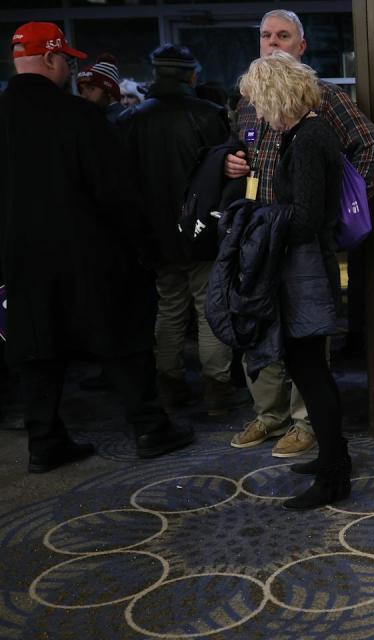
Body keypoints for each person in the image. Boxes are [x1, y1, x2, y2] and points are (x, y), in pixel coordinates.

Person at [0, 22, 193, 472]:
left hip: (20, 256)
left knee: (35, 349)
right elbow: (116, 193)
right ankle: (151, 428)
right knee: (120, 338)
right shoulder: (79, 117)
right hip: (88, 253)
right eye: (67, 59)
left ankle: (44, 443)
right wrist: (142, 246)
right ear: (50, 59)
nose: (70, 67)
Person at [224, 9, 374, 458]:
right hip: (258, 238)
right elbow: (240, 153)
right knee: (260, 326)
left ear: (302, 45)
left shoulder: (320, 98)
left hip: (301, 239)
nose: (273, 42)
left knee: (304, 334)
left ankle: (305, 423)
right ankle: (269, 414)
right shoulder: (247, 98)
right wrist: (231, 164)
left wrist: (339, 212)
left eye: (283, 35)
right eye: (265, 35)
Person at [235, 52, 348, 510]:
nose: (257, 115)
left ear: (276, 97)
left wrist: (258, 218)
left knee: (311, 373)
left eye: (259, 104)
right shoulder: (306, 132)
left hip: (306, 273)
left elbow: (304, 219)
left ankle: (335, 476)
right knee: (313, 372)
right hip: (307, 268)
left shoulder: (306, 138)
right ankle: (332, 460)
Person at [117, 44, 247, 417]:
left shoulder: (129, 121)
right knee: (210, 310)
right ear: (191, 76)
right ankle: (217, 391)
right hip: (202, 231)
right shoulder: (209, 116)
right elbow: (230, 173)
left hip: (153, 236)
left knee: (169, 309)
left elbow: (122, 184)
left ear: (156, 75)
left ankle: (170, 386)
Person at [76, 53, 125, 123]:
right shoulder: (96, 117)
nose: (83, 96)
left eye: (91, 89)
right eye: (81, 90)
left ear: (109, 91)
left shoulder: (120, 121)